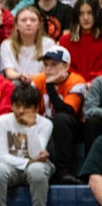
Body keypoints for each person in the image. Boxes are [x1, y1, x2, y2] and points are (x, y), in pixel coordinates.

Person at [0, 82, 54, 206]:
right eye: (17, 105)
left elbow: (36, 154)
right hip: (13, 167)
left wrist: (31, 126)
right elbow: (2, 155)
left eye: (26, 107)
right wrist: (28, 162)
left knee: (37, 170)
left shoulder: (45, 124)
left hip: (36, 167)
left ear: (35, 108)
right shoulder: (3, 121)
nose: (20, 111)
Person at [31, 44, 87, 184]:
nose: (48, 69)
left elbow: (66, 110)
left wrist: (50, 85)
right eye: (45, 64)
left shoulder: (77, 81)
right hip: (44, 124)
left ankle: (63, 171)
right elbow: (27, 107)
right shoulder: (38, 81)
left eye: (54, 64)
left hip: (73, 127)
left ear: (66, 66)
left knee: (60, 119)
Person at [0, 6, 57, 82]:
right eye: (23, 20)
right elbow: (9, 72)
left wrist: (34, 78)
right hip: (16, 84)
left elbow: (48, 71)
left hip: (40, 83)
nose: (28, 23)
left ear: (39, 25)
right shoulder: (6, 45)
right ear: (16, 25)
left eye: (33, 20)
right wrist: (21, 76)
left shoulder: (49, 43)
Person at [58, 0, 102, 84]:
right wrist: (80, 82)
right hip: (73, 85)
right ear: (76, 17)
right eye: (81, 14)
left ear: (96, 14)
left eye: (90, 13)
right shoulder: (65, 40)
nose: (85, 18)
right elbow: (65, 67)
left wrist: (93, 83)